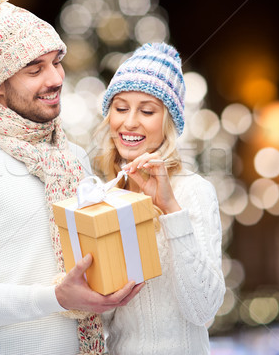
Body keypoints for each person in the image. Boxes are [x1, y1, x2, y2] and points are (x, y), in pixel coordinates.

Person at [0, 0, 142, 355]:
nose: (56, 78)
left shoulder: (71, 157)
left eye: (56, 62)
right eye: (34, 69)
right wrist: (56, 297)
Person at [92, 42, 226, 354]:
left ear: (168, 123)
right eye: (121, 108)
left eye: (147, 111)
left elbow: (203, 310)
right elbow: (104, 317)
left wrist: (169, 209)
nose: (130, 122)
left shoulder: (192, 191)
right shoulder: (105, 195)